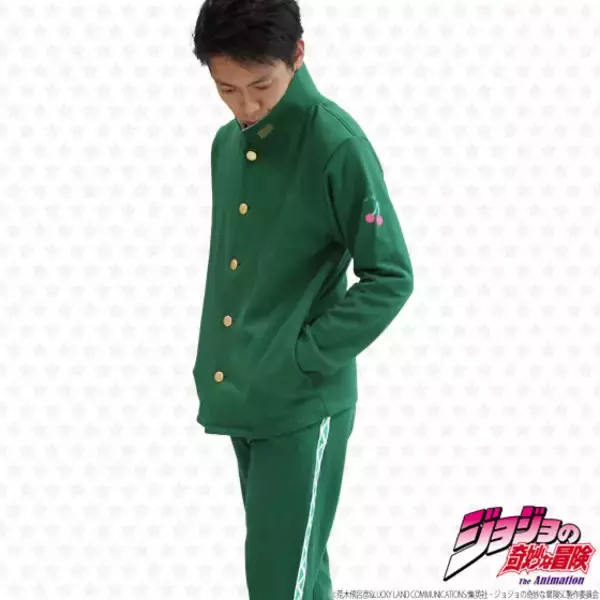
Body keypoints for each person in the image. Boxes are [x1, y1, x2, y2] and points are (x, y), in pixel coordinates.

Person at [191, 0, 414, 598]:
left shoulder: (336, 143)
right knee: (297, 576)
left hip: (300, 403)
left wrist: (302, 357)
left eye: (261, 86)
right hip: (242, 393)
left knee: (277, 584)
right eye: (227, 89)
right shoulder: (226, 146)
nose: (246, 107)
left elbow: (391, 275)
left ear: (297, 54)